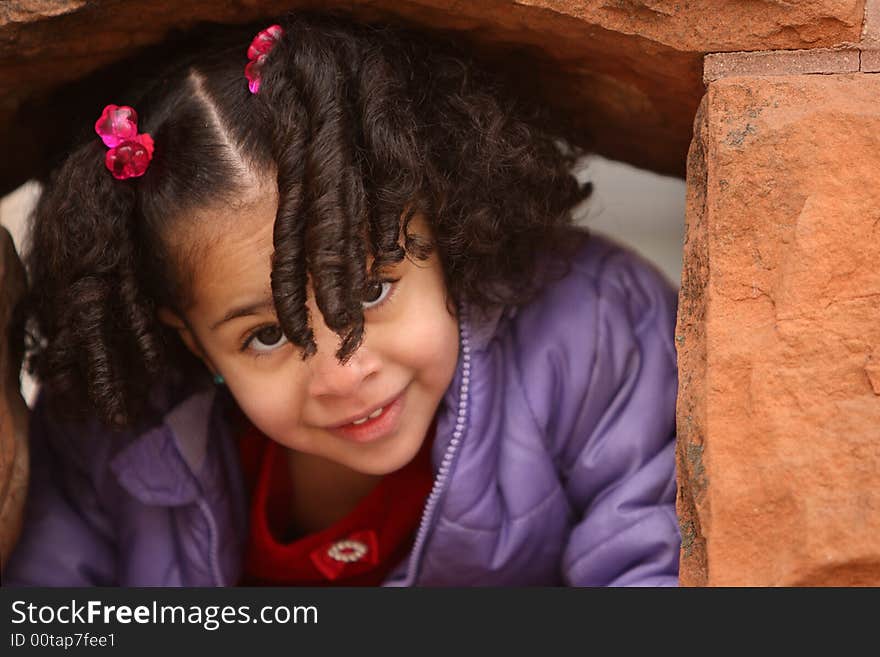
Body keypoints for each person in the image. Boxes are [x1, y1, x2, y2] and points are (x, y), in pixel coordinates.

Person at [3, 12, 680, 586]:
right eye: (266, 336)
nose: (344, 374)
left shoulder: (592, 332)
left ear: (441, 226)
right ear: (187, 337)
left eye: (370, 289)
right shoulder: (107, 432)